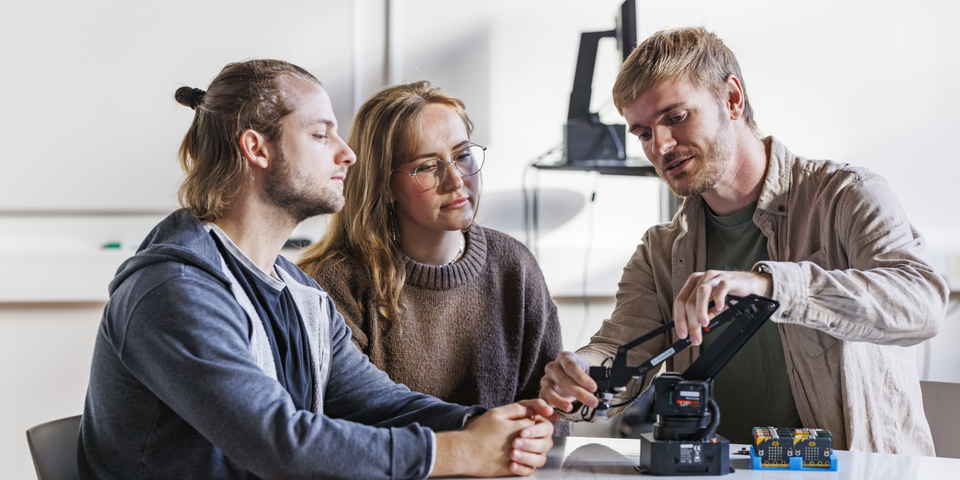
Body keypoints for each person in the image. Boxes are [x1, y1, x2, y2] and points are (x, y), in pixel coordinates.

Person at [78, 59, 553, 480]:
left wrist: (488, 426)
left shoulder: (296, 290)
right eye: (321, 135)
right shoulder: (174, 290)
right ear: (256, 149)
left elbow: (379, 404)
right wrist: (459, 451)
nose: (346, 153)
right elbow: (280, 445)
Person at [539, 27, 947, 455]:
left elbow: (922, 304)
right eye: (643, 133)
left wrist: (770, 287)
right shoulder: (660, 250)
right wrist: (581, 374)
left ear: (732, 99)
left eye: (675, 117)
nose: (660, 146)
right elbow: (617, 349)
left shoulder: (846, 195)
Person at [297, 82, 565, 429]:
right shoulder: (332, 284)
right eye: (427, 166)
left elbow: (551, 416)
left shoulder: (514, 265)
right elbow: (341, 431)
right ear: (385, 186)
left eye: (463, 155)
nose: (455, 180)